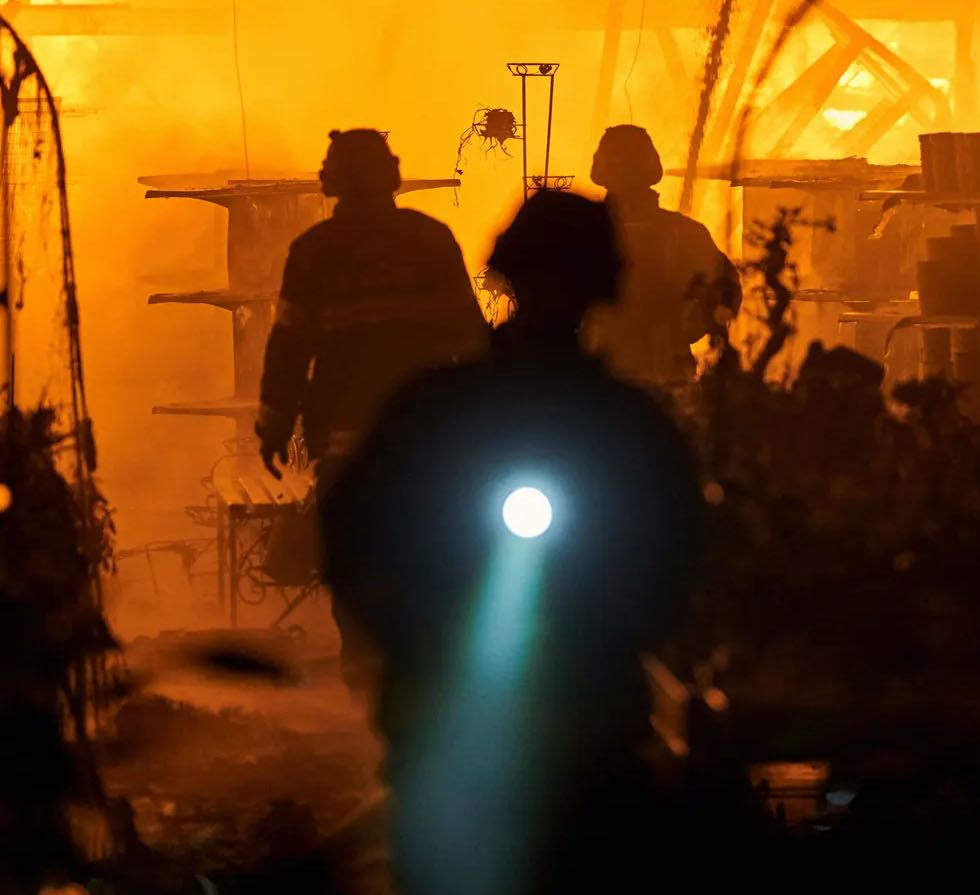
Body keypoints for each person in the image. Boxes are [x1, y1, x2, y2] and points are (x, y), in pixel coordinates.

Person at [319, 190, 704, 895]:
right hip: (500, 714)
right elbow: (354, 534)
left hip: (568, 720)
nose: (554, 298)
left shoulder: (440, 409)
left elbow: (679, 560)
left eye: (567, 280)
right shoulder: (621, 424)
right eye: (545, 278)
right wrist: (408, 637)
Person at [256, 128, 489, 696]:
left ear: (332, 180)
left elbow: (290, 345)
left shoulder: (313, 251)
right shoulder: (432, 240)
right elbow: (472, 337)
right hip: (430, 435)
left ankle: (365, 664)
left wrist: (274, 424)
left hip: (347, 433)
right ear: (393, 175)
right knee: (435, 539)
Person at [585, 124, 740, 386]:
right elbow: (726, 292)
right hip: (652, 375)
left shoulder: (577, 233)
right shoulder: (685, 233)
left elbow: (724, 290)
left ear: (600, 171)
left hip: (602, 379)